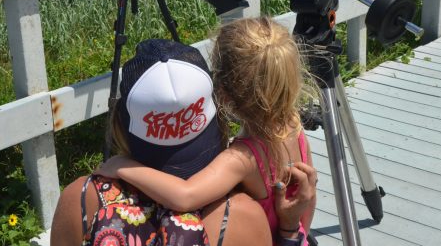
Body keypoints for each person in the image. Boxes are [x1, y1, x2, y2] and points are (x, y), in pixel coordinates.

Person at [51, 38, 315, 246]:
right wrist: (289, 229)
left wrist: (120, 165)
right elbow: (184, 195)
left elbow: (185, 194)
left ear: (121, 122)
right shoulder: (243, 217)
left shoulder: (81, 199)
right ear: (217, 111)